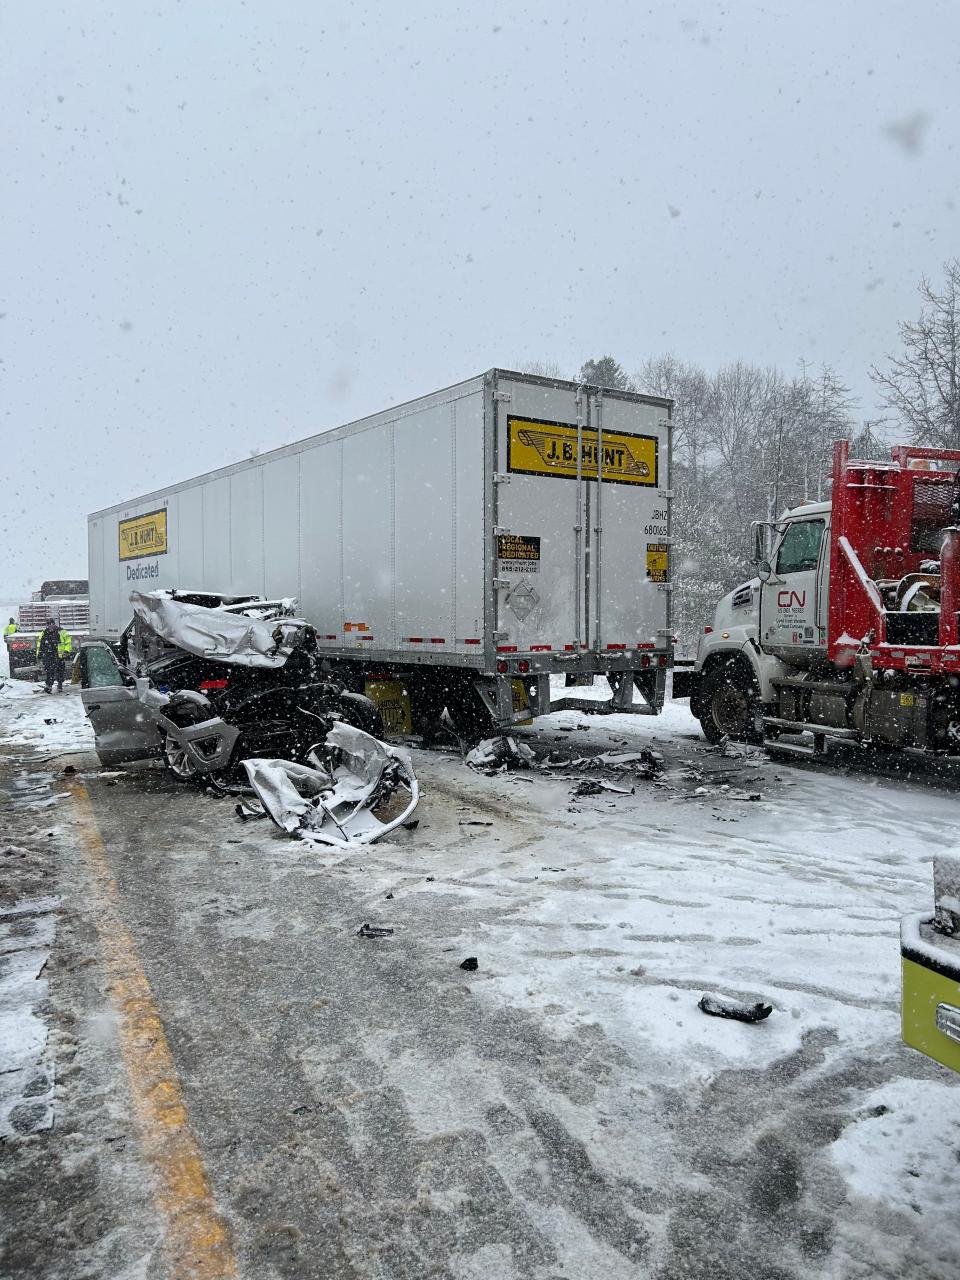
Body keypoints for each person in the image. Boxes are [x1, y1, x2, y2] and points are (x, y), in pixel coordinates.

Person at [36, 619, 71, 693]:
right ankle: (49, 686)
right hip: (48, 656)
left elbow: (68, 642)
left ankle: (60, 684)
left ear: (54, 624)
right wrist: (39, 654)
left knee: (60, 670)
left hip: (59, 656)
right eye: (48, 624)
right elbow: (40, 644)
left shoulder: (62, 632)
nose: (50, 626)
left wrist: (66, 651)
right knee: (49, 671)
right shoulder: (44, 633)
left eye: (51, 624)